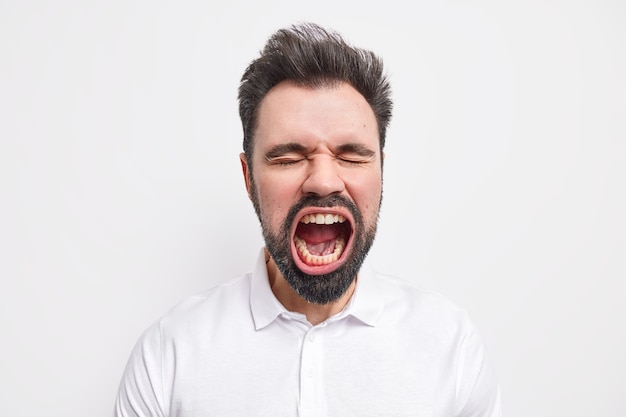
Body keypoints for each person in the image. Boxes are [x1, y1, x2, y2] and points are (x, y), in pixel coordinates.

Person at [114, 22, 502, 417]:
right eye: (288, 158)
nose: (323, 181)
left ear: (381, 172)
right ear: (249, 178)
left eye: (351, 156)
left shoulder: (452, 348)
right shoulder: (168, 354)